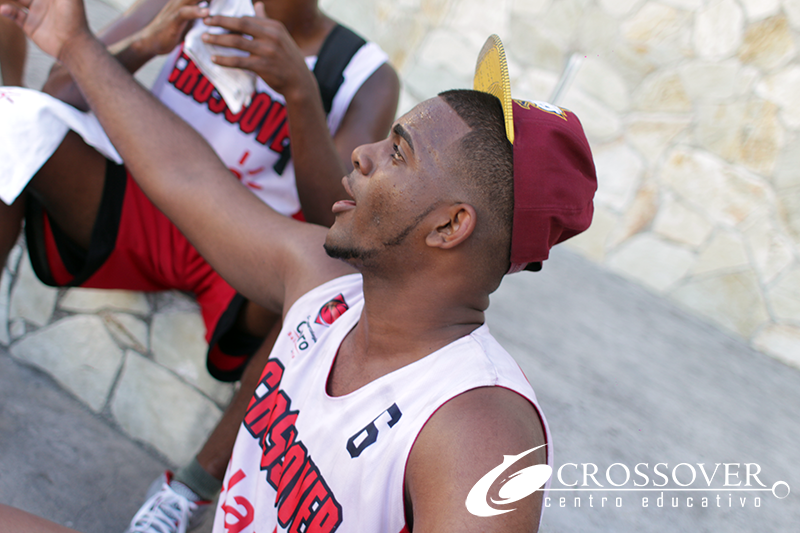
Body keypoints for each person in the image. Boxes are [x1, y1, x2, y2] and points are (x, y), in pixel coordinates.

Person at [0, 0, 598, 530]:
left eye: (398, 152)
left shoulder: (478, 428)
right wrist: (76, 44)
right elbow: (187, 174)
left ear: (449, 226)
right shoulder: (325, 288)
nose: (361, 155)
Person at [0, 0, 398, 530]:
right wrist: (148, 43)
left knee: (336, 286)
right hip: (142, 202)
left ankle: (189, 490)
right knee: (12, 123)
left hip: (246, 247)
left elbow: (338, 223)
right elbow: (56, 93)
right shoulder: (195, 5)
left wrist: (300, 93)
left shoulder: (364, 73)